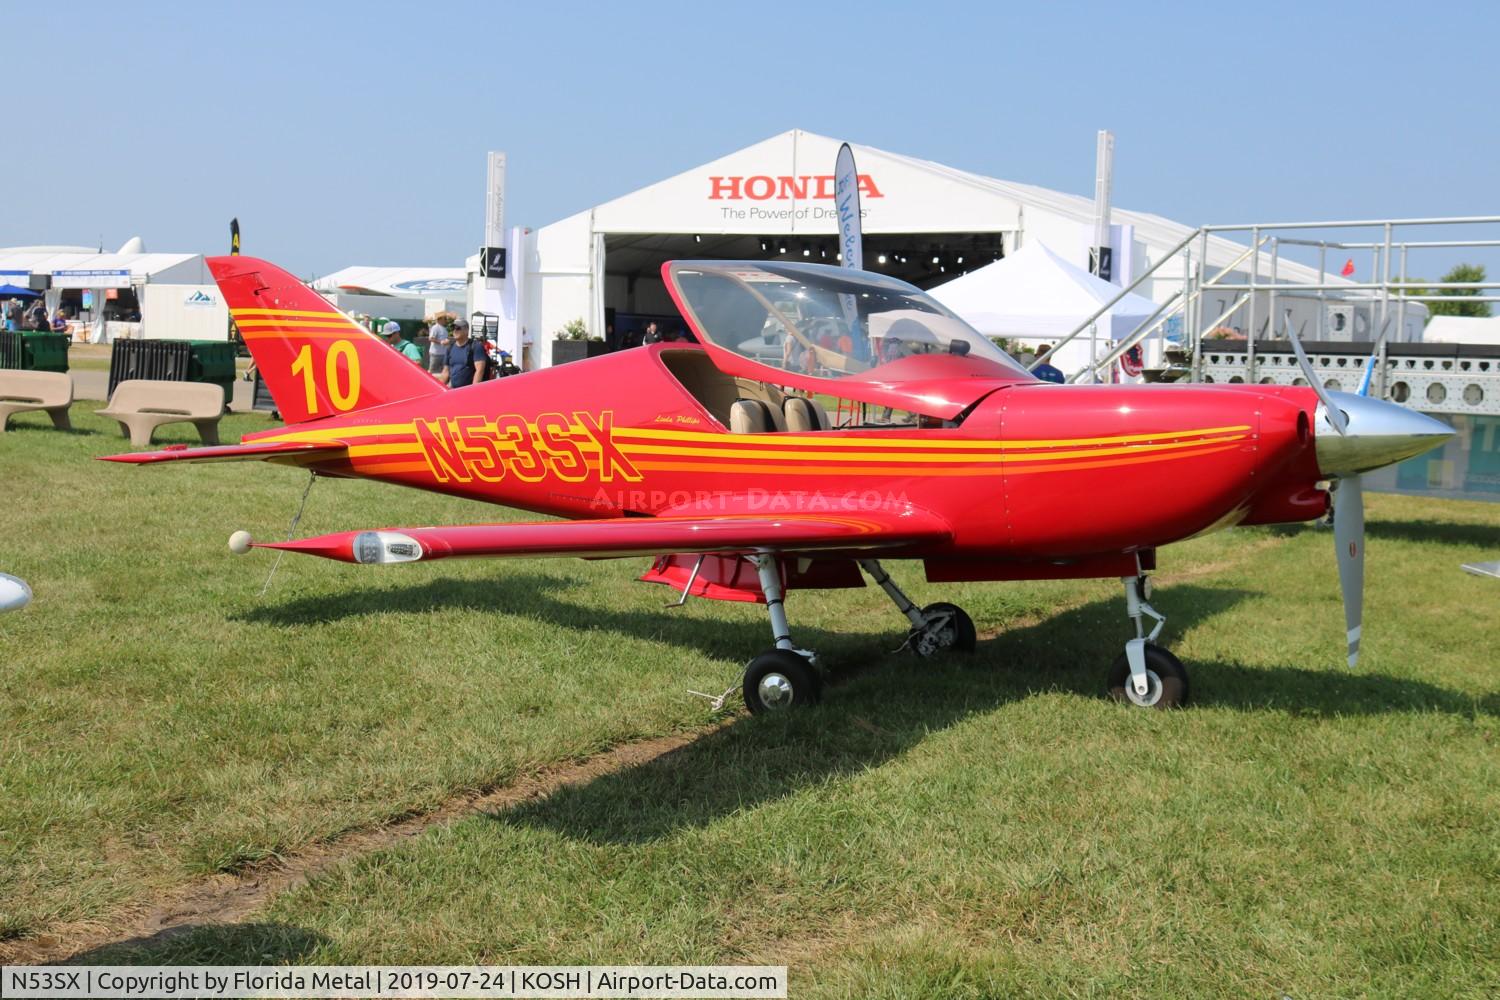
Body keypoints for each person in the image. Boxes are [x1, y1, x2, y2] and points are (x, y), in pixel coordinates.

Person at [439, 319, 486, 387]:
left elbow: (479, 371)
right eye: (453, 328)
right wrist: (440, 389)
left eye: (458, 328)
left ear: (466, 330)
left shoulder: (475, 346)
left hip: (468, 391)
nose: (455, 331)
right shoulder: (450, 348)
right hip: (453, 390)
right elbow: (445, 372)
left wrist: (473, 390)